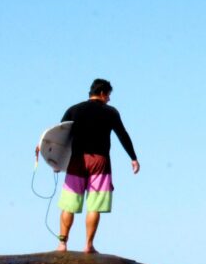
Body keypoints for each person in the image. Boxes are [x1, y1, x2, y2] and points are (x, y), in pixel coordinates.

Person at [42, 79, 140, 253]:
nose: (109, 99)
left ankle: (62, 244)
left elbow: (58, 136)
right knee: (95, 206)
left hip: (77, 160)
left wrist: (55, 161)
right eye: (108, 95)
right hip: (100, 162)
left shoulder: (74, 110)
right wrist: (133, 158)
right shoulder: (111, 112)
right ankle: (88, 245)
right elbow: (122, 135)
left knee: (68, 204)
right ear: (102, 93)